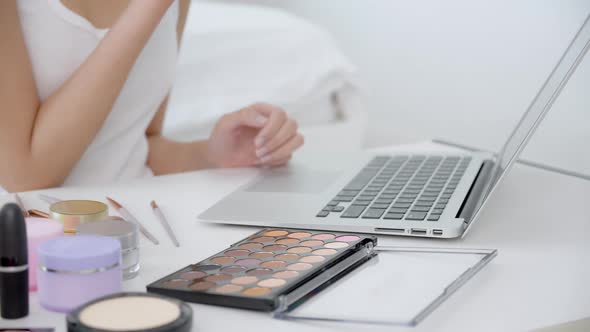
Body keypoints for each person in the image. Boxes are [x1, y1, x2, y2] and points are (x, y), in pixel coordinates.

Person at [0, 0, 304, 192]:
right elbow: (25, 178)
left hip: (141, 224)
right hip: (37, 247)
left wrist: (213, 154)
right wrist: (148, 8)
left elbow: (137, 145)